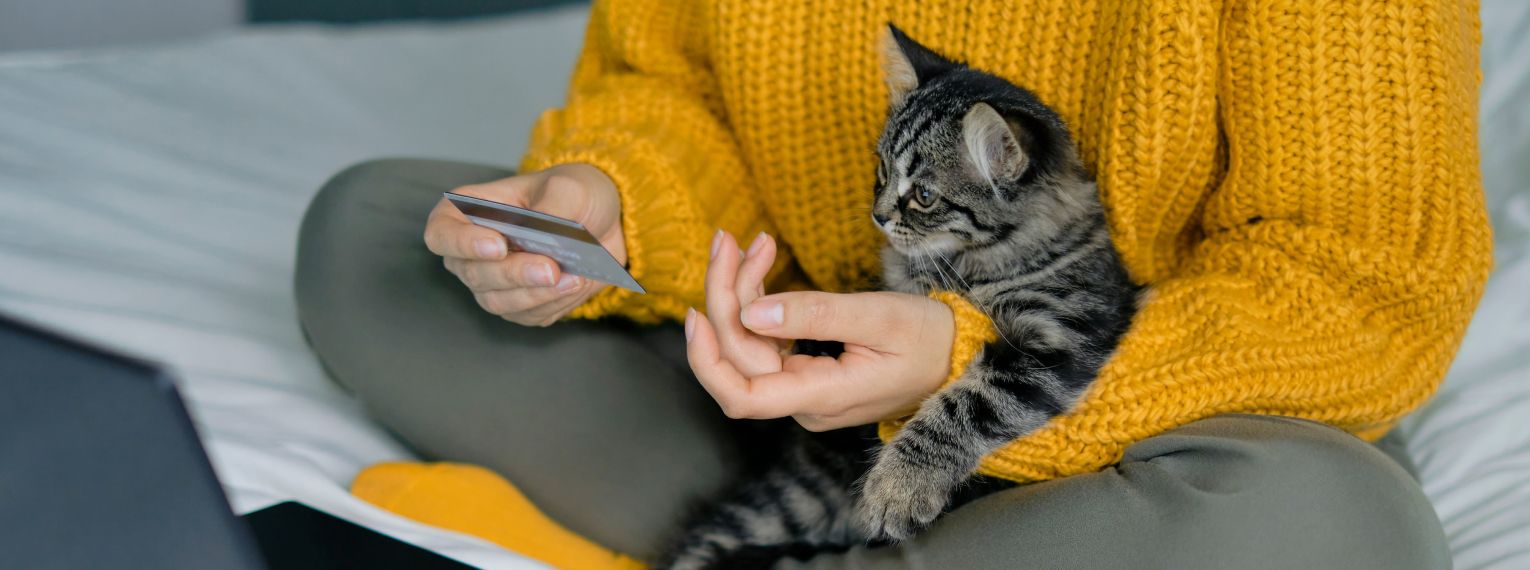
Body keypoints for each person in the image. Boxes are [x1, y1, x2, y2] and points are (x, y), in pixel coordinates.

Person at [295, 1, 1489, 568]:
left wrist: (964, 363)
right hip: (798, 380)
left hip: (1139, 418)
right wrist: (612, 201)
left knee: (1337, 531)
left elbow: (1361, 284)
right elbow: (668, 90)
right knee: (375, 240)